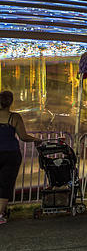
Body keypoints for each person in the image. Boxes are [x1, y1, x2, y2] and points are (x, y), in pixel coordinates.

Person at [0, 90, 39, 224]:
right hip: (11, 154)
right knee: (6, 183)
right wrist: (36, 139)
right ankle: (0, 214)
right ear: (10, 102)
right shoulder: (14, 117)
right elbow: (23, 137)